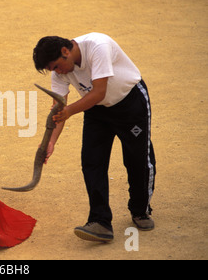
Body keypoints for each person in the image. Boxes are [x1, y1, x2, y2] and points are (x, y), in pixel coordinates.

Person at [33, 32, 156, 242]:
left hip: (130, 103)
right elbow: (58, 111)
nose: (57, 72)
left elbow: (99, 91)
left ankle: (140, 210)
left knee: (136, 159)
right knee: (92, 162)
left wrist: (70, 110)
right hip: (95, 110)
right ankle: (100, 221)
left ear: (65, 51)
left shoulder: (98, 46)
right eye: (53, 70)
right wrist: (51, 142)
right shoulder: (60, 72)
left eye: (56, 66)